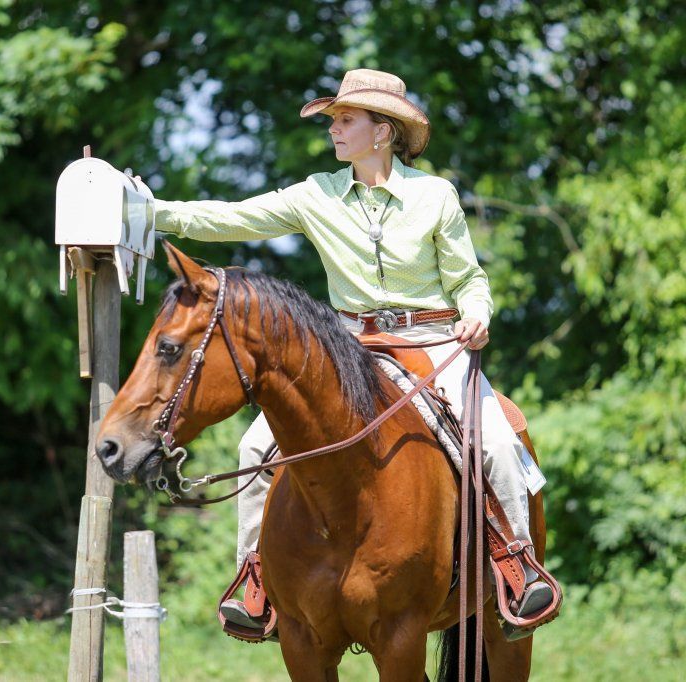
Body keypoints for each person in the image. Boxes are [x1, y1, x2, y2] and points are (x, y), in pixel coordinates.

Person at [150, 68, 554, 635]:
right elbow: (227, 217)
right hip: (349, 348)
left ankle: (516, 567)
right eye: (334, 121)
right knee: (255, 445)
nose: (334, 131)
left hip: (432, 340)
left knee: (497, 439)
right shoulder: (315, 194)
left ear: (382, 131)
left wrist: (478, 312)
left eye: (345, 120)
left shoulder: (434, 195)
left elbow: (468, 279)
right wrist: (150, 211)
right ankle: (256, 575)